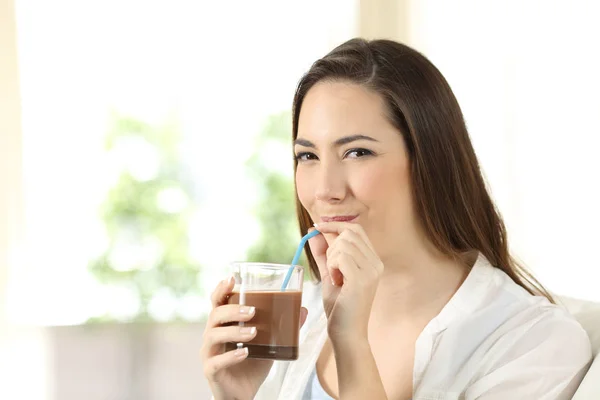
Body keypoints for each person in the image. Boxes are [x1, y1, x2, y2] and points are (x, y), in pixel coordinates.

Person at [200, 38, 592, 400]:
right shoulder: (301, 318)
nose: (324, 190)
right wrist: (239, 396)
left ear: (430, 160)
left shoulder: (533, 343)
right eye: (308, 156)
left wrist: (351, 343)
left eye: (357, 153)